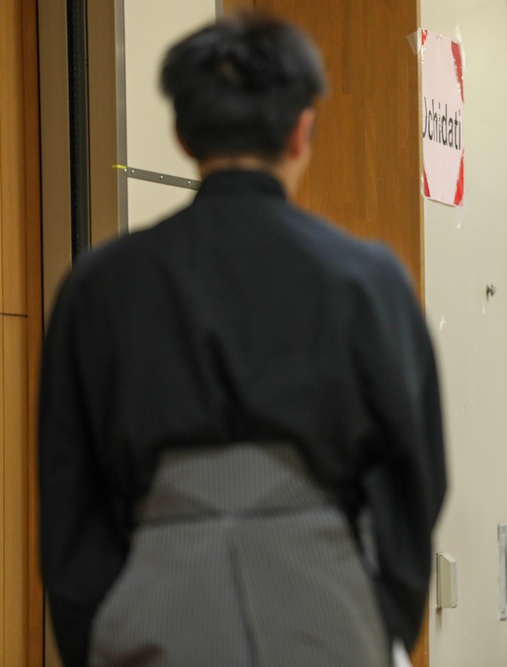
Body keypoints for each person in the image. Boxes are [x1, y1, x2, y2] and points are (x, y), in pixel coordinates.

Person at [38, 12, 446, 667]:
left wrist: (94, 634)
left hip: (156, 593)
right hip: (327, 598)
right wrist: (386, 607)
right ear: (301, 131)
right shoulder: (367, 277)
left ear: (180, 134)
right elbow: (414, 469)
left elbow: (70, 491)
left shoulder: (99, 285)